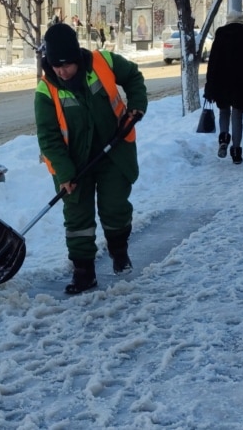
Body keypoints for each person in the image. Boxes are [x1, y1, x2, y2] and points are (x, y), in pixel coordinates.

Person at [35, 22, 148, 294]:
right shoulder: (45, 91)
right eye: (56, 65)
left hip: (114, 151)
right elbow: (49, 137)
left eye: (67, 64)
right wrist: (64, 173)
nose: (62, 71)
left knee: (115, 207)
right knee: (77, 218)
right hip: (74, 164)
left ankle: (119, 252)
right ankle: (83, 272)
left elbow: (133, 76)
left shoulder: (102, 61)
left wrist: (136, 108)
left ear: (77, 57)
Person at [203, 10, 243, 164]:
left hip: (221, 82)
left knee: (224, 112)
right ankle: (236, 151)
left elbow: (213, 62)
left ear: (228, 20)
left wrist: (210, 85)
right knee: (237, 115)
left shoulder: (221, 34)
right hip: (241, 83)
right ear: (242, 20)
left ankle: (223, 138)